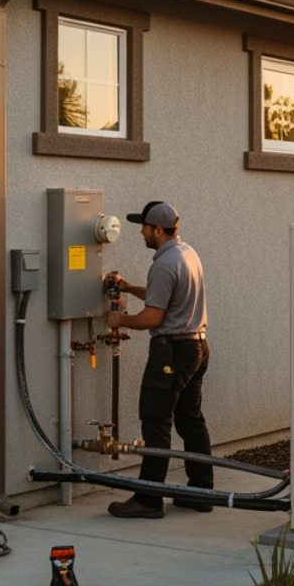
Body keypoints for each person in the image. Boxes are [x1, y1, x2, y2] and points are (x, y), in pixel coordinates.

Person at [102, 200, 212, 518]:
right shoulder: (186, 253)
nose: (141, 231)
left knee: (155, 421)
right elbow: (162, 294)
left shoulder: (164, 264)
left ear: (159, 230)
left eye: (145, 227)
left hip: (172, 352)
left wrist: (119, 320)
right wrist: (127, 287)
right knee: (190, 420)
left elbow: (152, 317)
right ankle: (202, 492)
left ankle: (148, 500)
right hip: (198, 346)